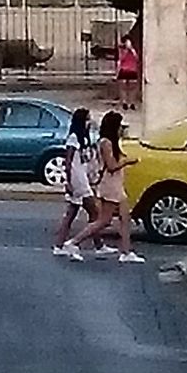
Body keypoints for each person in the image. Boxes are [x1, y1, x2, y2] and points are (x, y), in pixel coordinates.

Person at [60, 110, 135, 262]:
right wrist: (127, 162)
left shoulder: (109, 142)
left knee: (124, 218)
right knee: (102, 220)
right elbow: (112, 166)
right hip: (110, 184)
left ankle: (126, 252)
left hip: (115, 183)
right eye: (120, 126)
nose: (122, 129)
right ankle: (73, 242)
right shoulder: (106, 143)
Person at [52, 108, 98, 254]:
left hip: (82, 177)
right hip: (77, 180)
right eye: (87, 119)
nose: (89, 122)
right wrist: (68, 182)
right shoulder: (73, 138)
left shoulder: (84, 137)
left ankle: (59, 245)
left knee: (71, 214)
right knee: (94, 213)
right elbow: (68, 160)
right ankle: (76, 243)